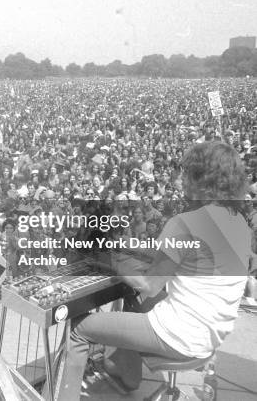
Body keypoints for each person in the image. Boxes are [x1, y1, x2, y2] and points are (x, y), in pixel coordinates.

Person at [50, 142, 252, 400]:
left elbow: (149, 284)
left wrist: (107, 259)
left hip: (182, 336)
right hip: (212, 333)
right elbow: (178, 255)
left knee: (80, 327)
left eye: (186, 172)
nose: (181, 179)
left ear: (201, 178)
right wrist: (123, 246)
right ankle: (128, 375)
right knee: (134, 299)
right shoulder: (240, 223)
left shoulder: (185, 223)